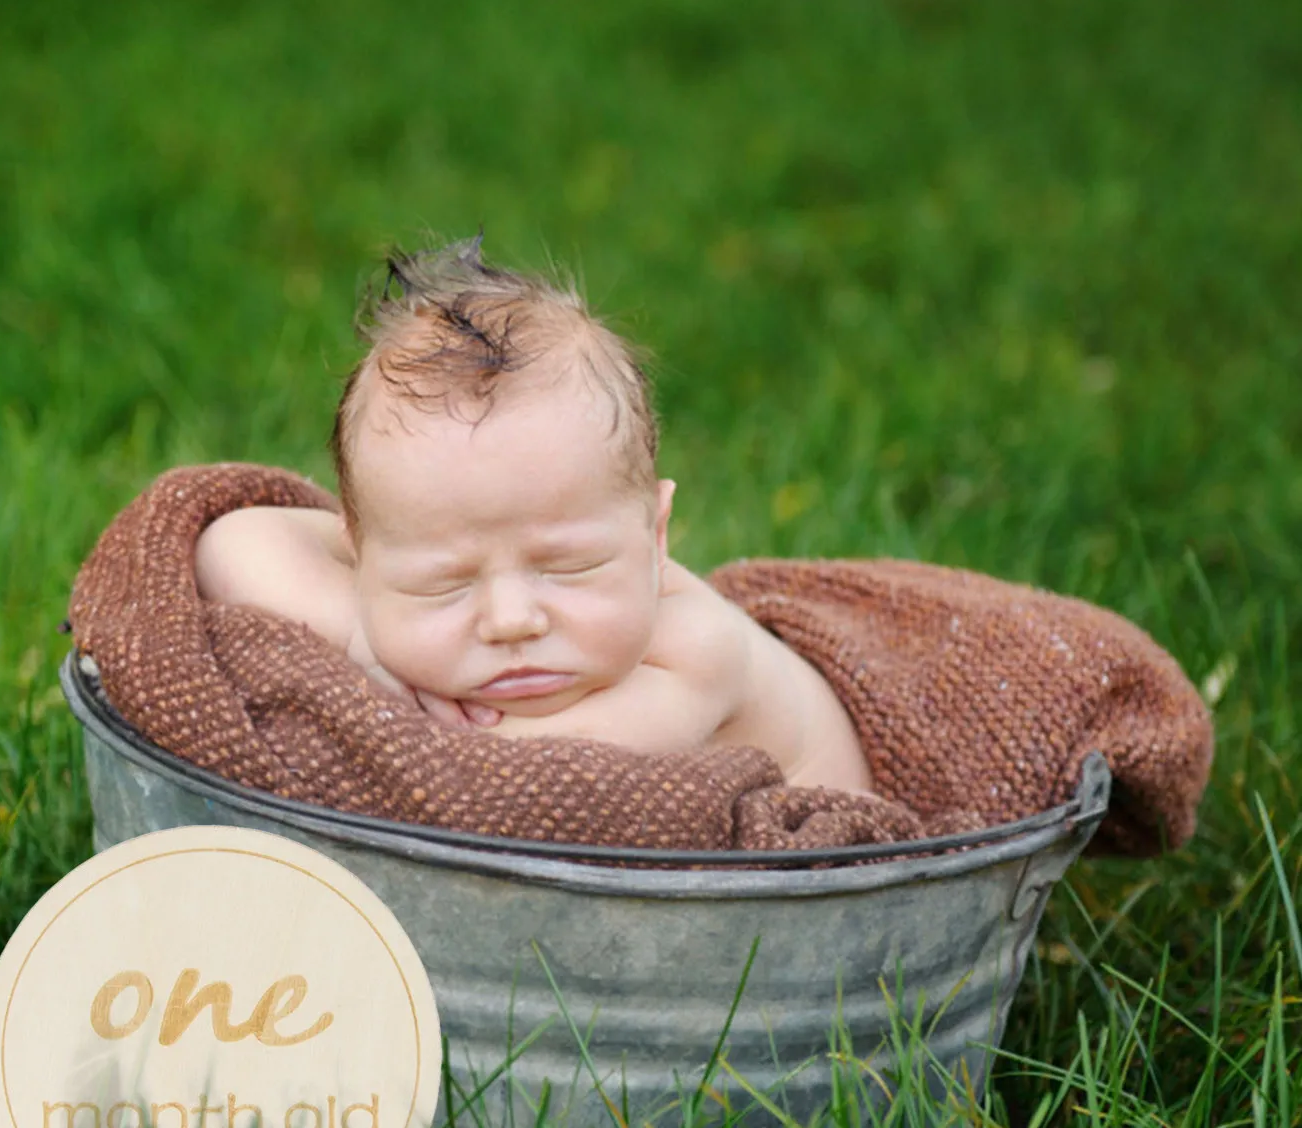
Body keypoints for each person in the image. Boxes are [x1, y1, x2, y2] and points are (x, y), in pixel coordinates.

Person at [194, 238, 873, 793]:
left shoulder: (696, 655)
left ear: (657, 535)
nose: (511, 620)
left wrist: (386, 692)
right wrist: (359, 641)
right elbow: (231, 541)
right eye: (442, 583)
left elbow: (512, 778)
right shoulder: (406, 565)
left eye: (568, 567)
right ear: (360, 553)